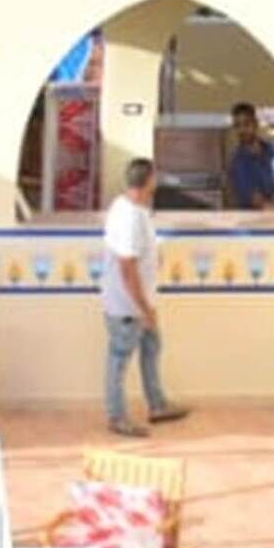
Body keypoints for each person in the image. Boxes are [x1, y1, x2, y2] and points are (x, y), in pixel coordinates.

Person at [99, 157, 187, 437]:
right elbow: (127, 267)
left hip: (140, 303)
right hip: (128, 307)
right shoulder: (128, 216)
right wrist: (144, 308)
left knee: (152, 348)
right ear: (148, 180)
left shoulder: (133, 209)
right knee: (119, 360)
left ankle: (157, 405)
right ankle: (117, 417)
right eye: (155, 177)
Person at [222, 104, 274, 211]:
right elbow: (256, 200)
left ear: (256, 123)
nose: (242, 130)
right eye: (237, 126)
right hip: (251, 221)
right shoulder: (237, 162)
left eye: (246, 124)